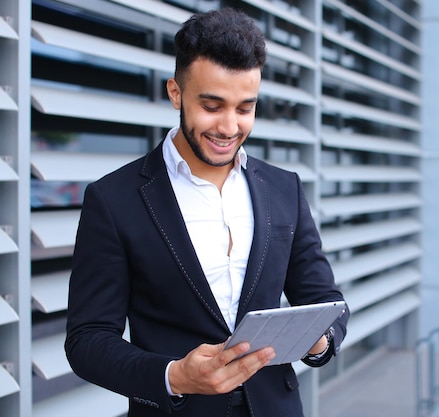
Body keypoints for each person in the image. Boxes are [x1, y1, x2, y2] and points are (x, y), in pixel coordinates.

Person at [65, 7, 349, 417]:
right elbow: (87, 340)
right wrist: (174, 375)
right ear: (176, 93)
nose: (230, 127)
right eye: (212, 106)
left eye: (245, 107)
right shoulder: (113, 200)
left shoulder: (284, 188)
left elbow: (326, 301)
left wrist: (317, 340)